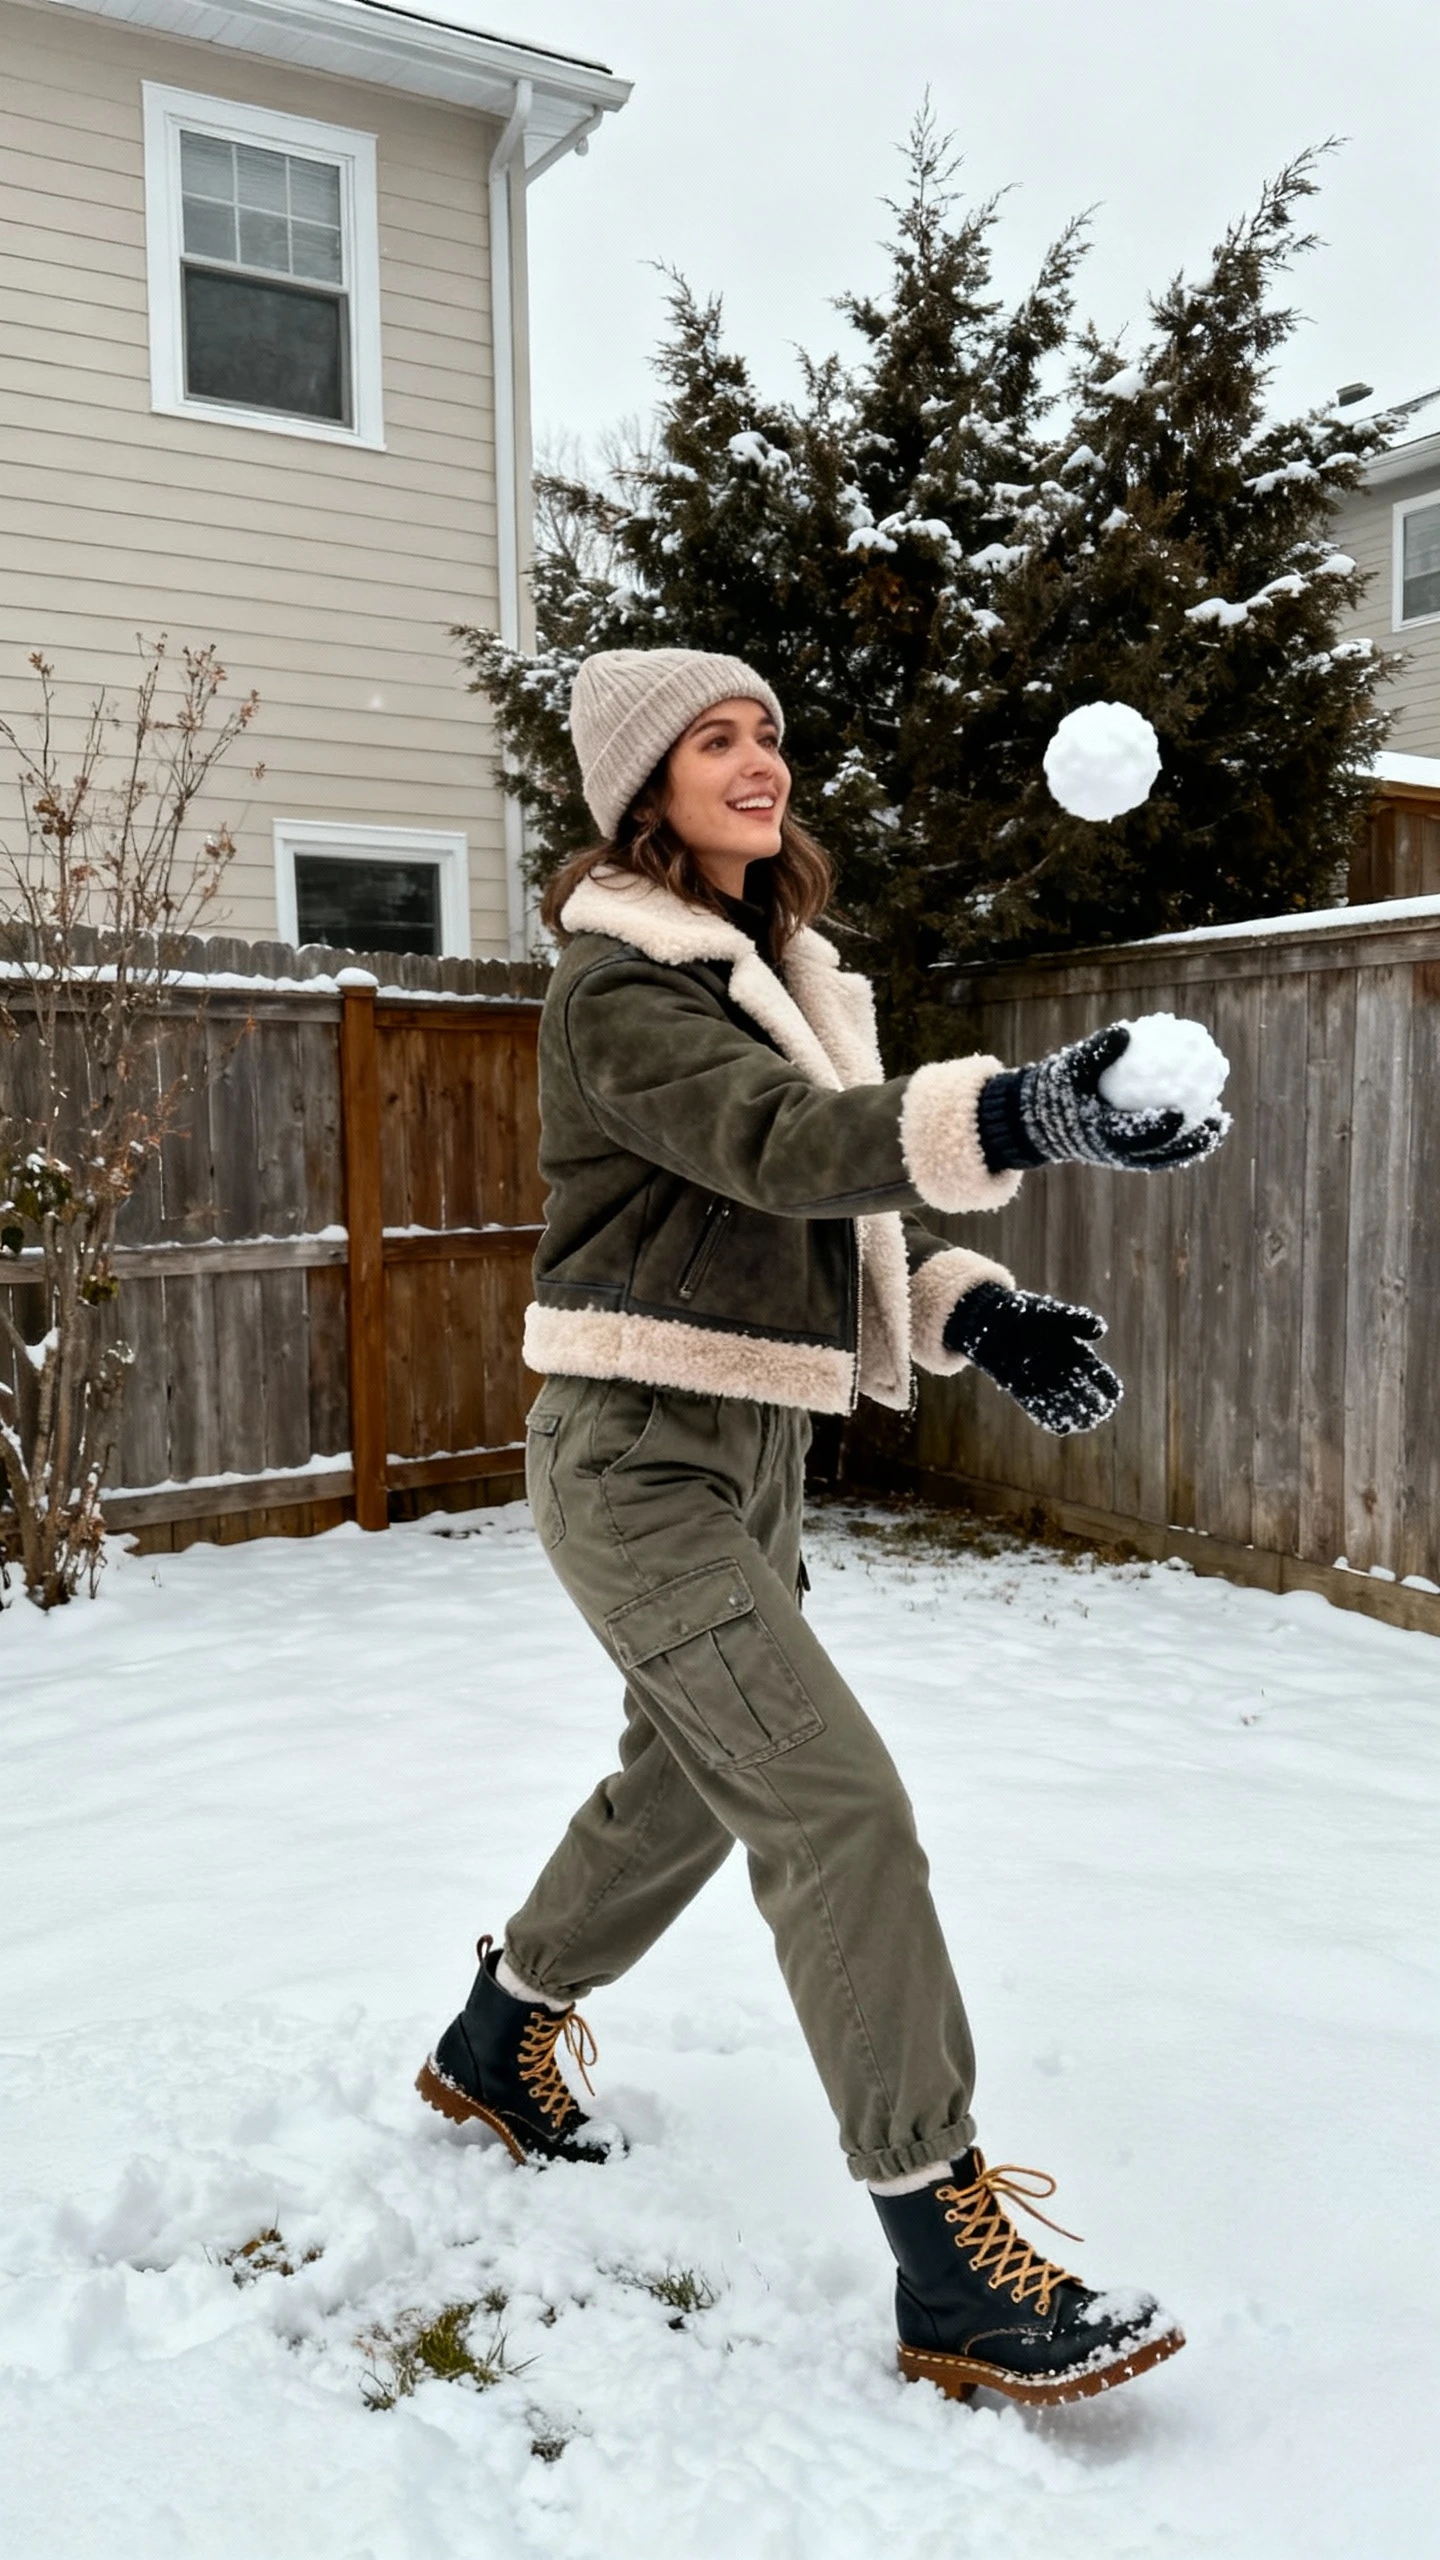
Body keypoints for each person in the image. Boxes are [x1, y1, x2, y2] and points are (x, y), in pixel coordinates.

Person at [417, 648, 1225, 2409]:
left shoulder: (781, 973)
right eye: (715, 739)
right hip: (635, 1464)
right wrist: (1024, 1109)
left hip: (744, 1461)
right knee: (834, 1805)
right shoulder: (621, 989)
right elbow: (786, 1150)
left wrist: (980, 1315)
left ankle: (499, 2038)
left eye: (769, 730)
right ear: (647, 789)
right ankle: (952, 2263)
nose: (758, 759)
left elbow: (825, 1229)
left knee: (691, 1786)